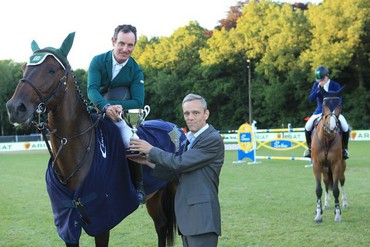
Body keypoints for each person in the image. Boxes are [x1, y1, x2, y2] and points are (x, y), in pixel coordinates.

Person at [130, 93, 224, 247]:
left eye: (195, 113)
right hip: (188, 219)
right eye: (186, 113)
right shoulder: (191, 140)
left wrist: (151, 150)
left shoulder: (212, 139)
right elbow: (177, 174)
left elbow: (180, 163)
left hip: (201, 219)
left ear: (206, 114)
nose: (190, 117)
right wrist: (147, 161)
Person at [87, 24, 146, 203]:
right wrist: (105, 106)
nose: (125, 49)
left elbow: (138, 101)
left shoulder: (136, 70)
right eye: (121, 43)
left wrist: (116, 107)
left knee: (131, 141)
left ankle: (138, 186)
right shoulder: (97, 61)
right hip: (95, 110)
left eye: (130, 45)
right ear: (113, 41)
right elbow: (92, 90)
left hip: (121, 117)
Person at [303, 66, 350, 159]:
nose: (321, 81)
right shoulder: (316, 84)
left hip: (333, 112)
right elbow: (311, 99)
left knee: (345, 126)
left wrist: (335, 112)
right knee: (307, 126)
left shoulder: (335, 85)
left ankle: (344, 149)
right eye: (319, 79)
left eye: (322, 79)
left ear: (327, 76)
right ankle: (309, 149)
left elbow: (339, 100)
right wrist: (318, 88)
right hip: (320, 111)